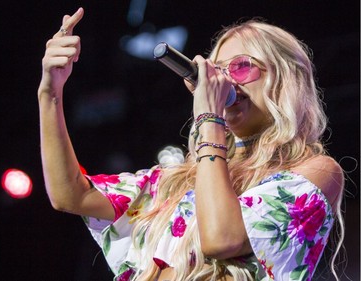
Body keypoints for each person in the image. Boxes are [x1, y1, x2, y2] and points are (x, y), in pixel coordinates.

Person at [38, 7, 345, 281]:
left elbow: (222, 237)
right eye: (218, 71)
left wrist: (209, 118)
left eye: (241, 66)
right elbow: (72, 194)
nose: (225, 81)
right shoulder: (178, 180)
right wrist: (50, 93)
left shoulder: (315, 172)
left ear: (283, 79)